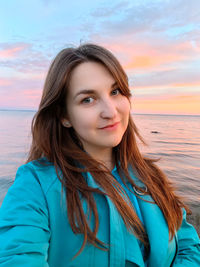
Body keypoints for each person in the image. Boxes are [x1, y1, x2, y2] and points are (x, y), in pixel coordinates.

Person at [0, 43, 199, 267]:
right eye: (88, 99)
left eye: (115, 92)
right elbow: (17, 256)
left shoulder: (149, 175)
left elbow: (188, 244)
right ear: (64, 116)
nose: (110, 111)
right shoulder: (35, 184)